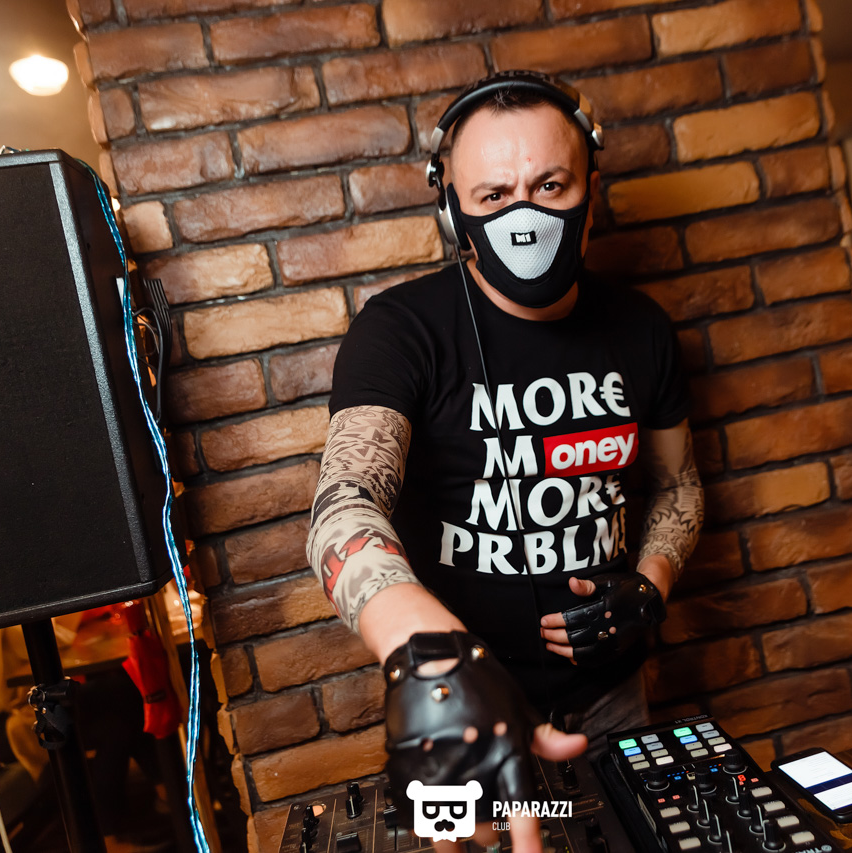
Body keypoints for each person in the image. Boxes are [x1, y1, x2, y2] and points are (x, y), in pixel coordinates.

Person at [305, 71, 703, 851]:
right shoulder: (400, 331)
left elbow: (677, 485)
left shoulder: (642, 328)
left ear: (590, 193)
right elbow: (343, 506)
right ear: (454, 210)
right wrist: (433, 661)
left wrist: (650, 587)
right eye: (493, 195)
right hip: (460, 713)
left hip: (613, 699)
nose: (526, 215)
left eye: (550, 185)